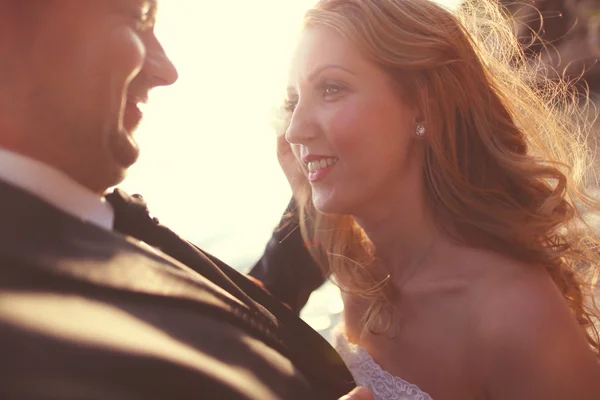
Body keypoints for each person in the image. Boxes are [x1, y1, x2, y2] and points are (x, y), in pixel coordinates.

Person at [0, 1, 362, 398]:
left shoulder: (103, 217)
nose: (167, 71)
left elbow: (248, 308)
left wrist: (318, 203)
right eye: (138, 19)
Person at [277, 0, 600, 398]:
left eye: (331, 88)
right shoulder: (362, 275)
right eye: (294, 101)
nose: (294, 130)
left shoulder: (512, 315)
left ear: (423, 102)